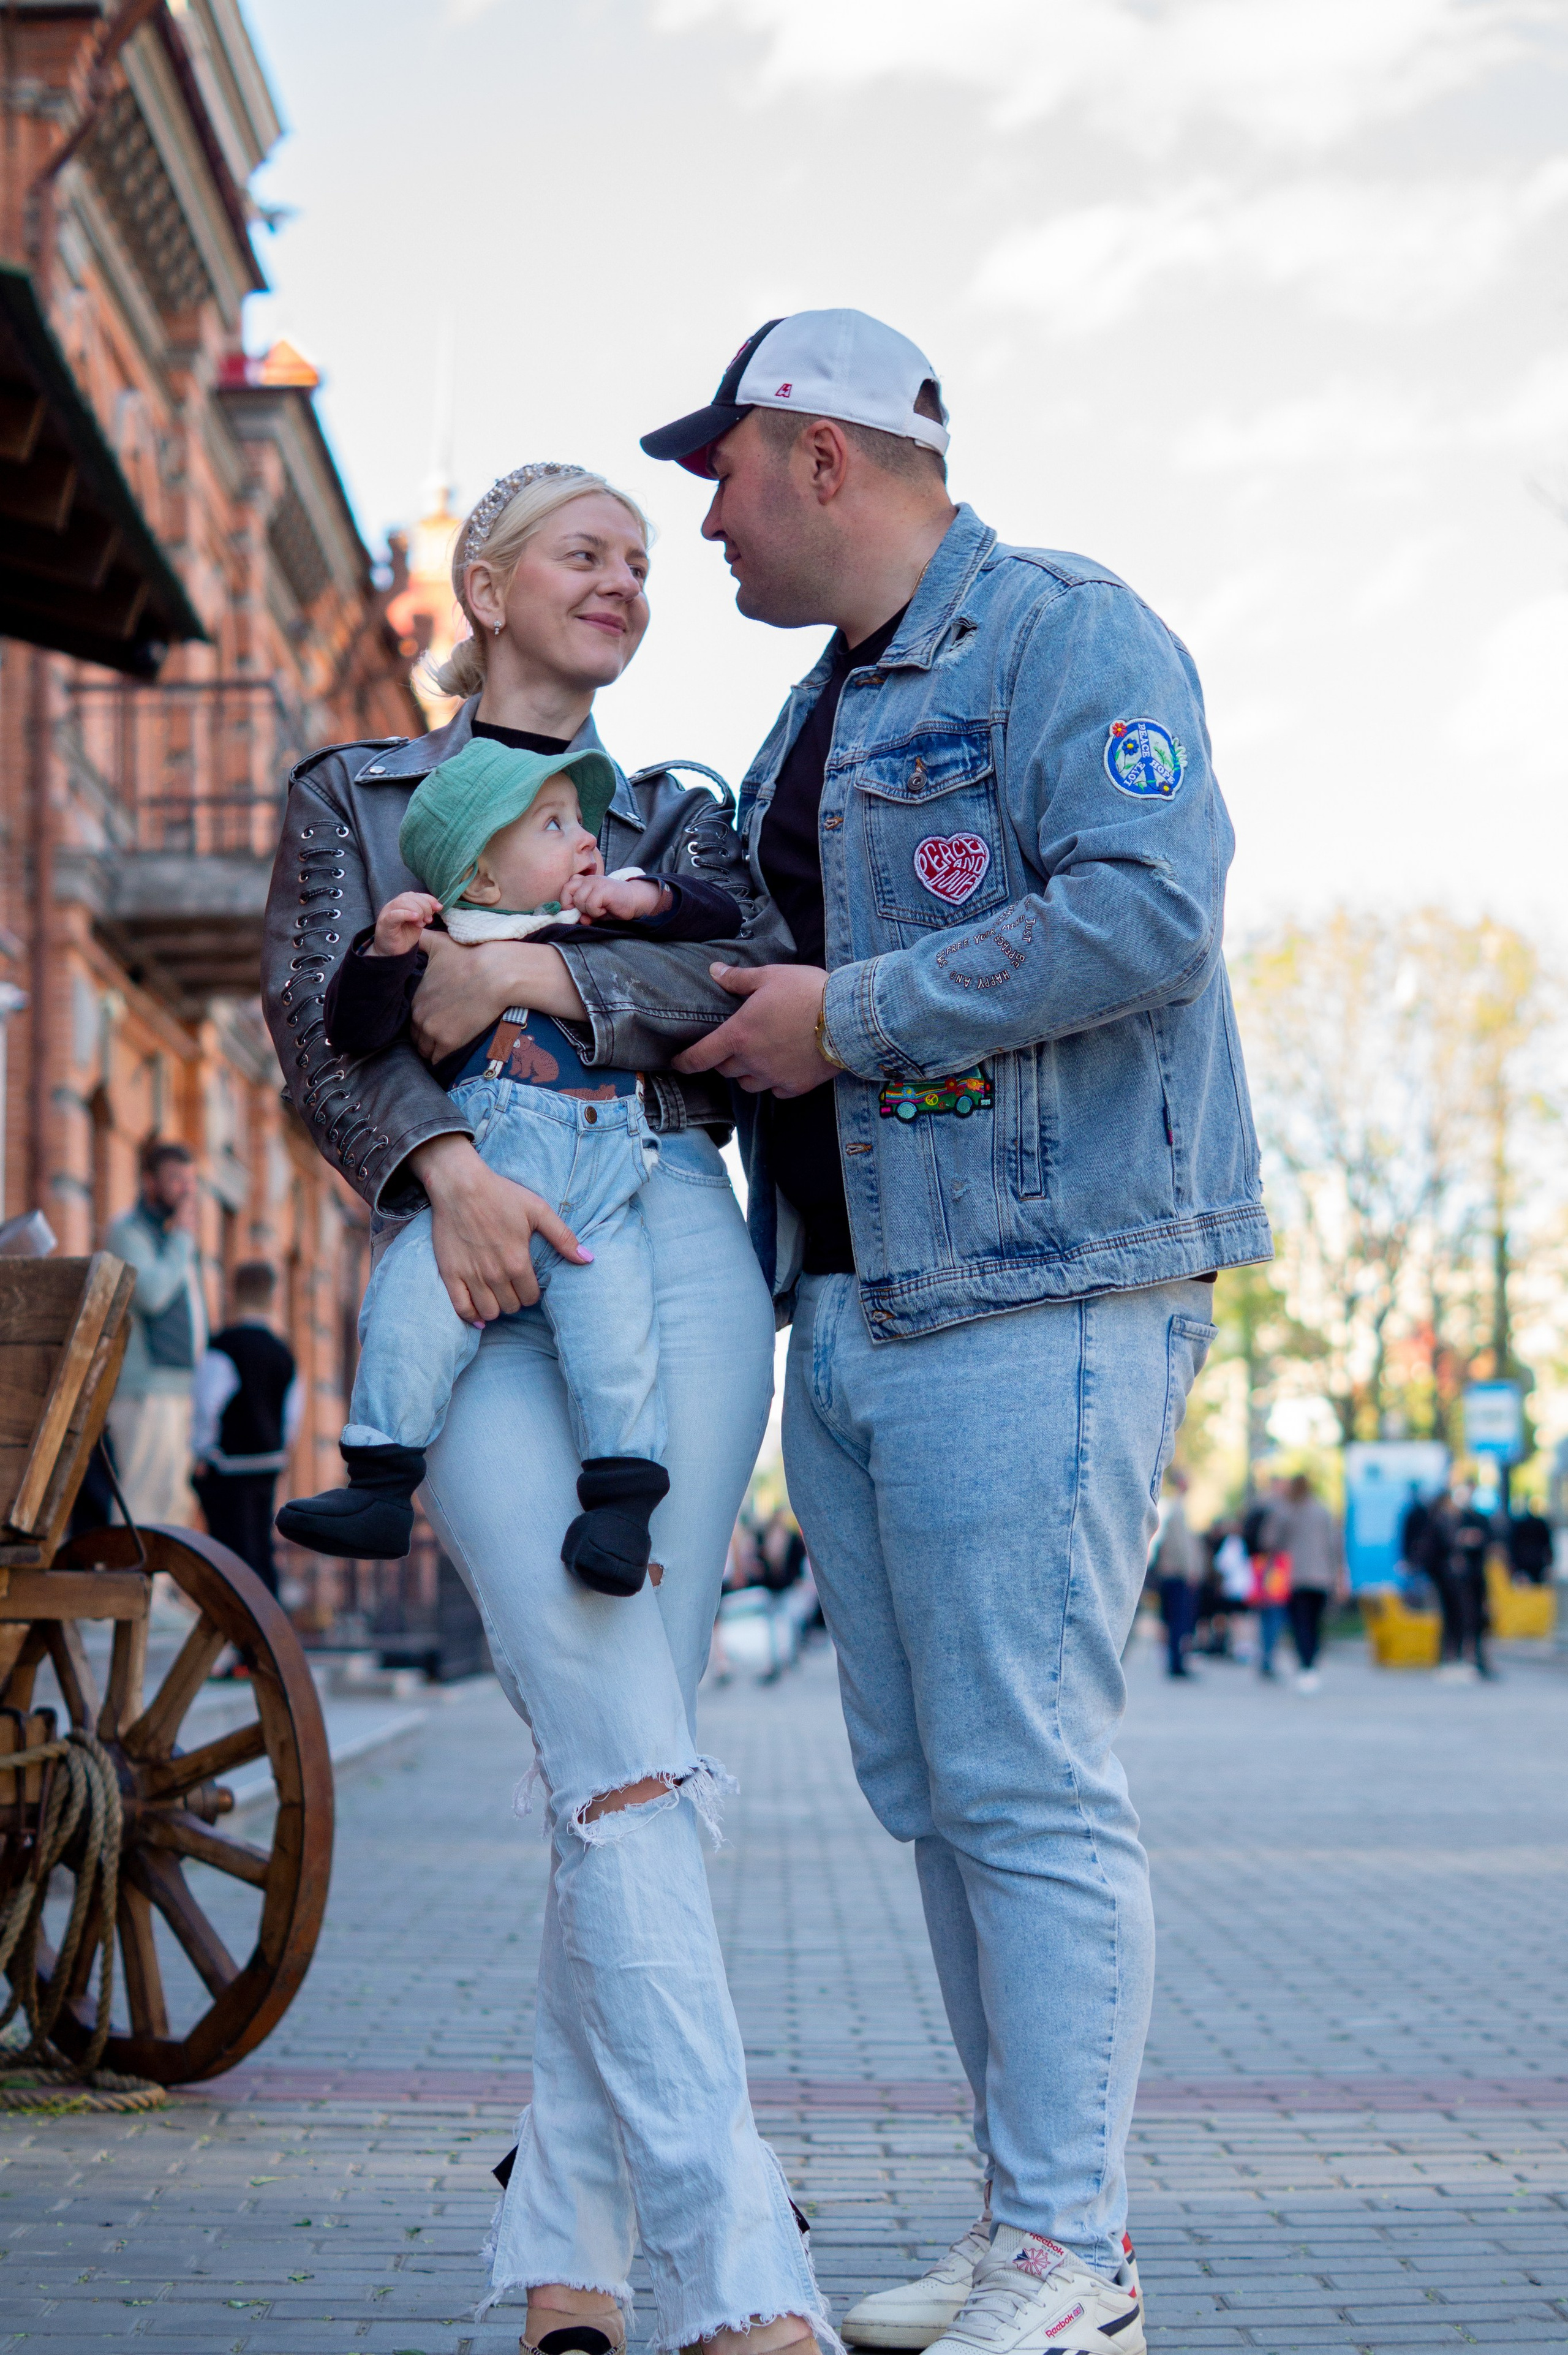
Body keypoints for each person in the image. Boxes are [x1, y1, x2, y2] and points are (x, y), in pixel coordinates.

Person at [640, 309, 1270, 2355]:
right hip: (851, 1297)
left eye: (721, 465)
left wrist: (855, 1014)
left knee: (1026, 1776)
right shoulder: (805, 716)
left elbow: (1152, 906)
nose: (703, 514)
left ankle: (1078, 2262)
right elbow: (788, 977)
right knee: (934, 1787)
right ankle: (1030, 2230)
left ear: (827, 456)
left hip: (1036, 1288)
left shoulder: (1062, 634)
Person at [262, 460, 828, 2355]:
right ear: (482, 580)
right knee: (614, 1738)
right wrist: (444, 1170)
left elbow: (726, 979)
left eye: (647, 564)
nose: (628, 582)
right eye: (589, 550)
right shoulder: (351, 792)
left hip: (671, 1234)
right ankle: (737, 2269)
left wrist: (514, 971)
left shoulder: (675, 807)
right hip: (465, 1245)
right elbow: (312, 1031)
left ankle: (560, 2257)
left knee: (628, 1740)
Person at [276, 738, 746, 1589]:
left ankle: (620, 1514)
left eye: (585, 820)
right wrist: (381, 954)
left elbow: (722, 927)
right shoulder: (440, 943)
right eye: (554, 824)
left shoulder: (595, 927)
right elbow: (353, 1034)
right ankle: (382, 1484)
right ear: (483, 880)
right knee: (410, 1308)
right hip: (484, 1181)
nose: (588, 839)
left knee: (618, 1346)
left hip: (600, 1196)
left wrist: (650, 897)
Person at [105, 1140, 206, 1528]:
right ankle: (128, 1586)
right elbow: (152, 1295)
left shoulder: (171, 1239)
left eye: (191, 1181)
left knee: (173, 1505)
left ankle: (158, 1589)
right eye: (176, 1180)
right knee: (142, 1503)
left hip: (178, 1387)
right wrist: (183, 1240)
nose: (187, 1191)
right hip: (144, 1391)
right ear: (149, 1183)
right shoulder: (128, 1233)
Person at [192, 1261, 301, 1594]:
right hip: (267, 1465)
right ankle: (268, 1622)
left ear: (233, 1293)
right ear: (273, 1298)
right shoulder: (284, 1353)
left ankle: (238, 1624)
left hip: (228, 1467)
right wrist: (281, 1450)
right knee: (260, 1546)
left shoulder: (224, 1346)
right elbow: (292, 1415)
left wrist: (201, 1450)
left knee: (229, 1552)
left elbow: (206, 1405)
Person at [1273, 1472, 1343, 1692]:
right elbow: (1334, 1546)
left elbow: (1271, 1541)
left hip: (1295, 1577)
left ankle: (1305, 1666)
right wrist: (1338, 1574)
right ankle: (1312, 1666)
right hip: (1321, 1577)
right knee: (1315, 1623)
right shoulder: (1322, 1511)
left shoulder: (1287, 1511)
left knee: (1300, 1624)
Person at [1150, 1469, 1202, 1679]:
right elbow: (1183, 1547)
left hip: (1173, 1573)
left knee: (1176, 1620)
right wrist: (1191, 1570)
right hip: (1177, 1574)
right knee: (1178, 1621)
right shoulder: (1177, 1509)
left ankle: (1177, 1662)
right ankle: (1176, 1663)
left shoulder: (1173, 1508)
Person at [1507, 1502, 1554, 1586]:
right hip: (1536, 1563)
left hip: (1525, 1563)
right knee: (1537, 1590)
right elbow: (1548, 1546)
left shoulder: (1518, 1525)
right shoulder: (1541, 1524)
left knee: (1524, 1592)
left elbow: (1512, 1545)